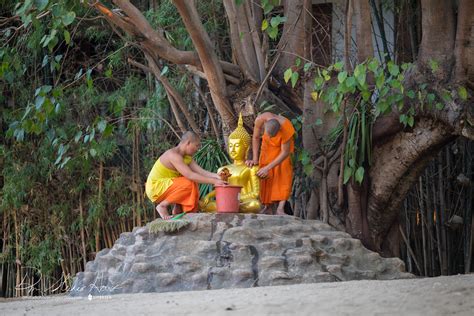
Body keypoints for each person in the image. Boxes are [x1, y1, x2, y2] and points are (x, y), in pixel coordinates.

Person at [145, 131, 227, 219]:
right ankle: (162, 206)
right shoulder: (173, 155)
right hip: (155, 188)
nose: (198, 149)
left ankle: (180, 210)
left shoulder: (186, 157)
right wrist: (214, 181)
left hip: (167, 185)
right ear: (188, 143)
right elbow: (190, 175)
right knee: (188, 182)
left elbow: (201, 171)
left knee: (192, 184)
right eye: (196, 145)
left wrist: (216, 176)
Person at [246, 112, 295, 215]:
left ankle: (280, 209)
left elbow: (285, 152)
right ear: (265, 124)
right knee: (266, 177)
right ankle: (267, 206)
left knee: (284, 176)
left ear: (279, 130)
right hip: (267, 149)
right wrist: (255, 158)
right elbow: (255, 137)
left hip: (281, 152)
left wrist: (268, 167)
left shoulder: (286, 127)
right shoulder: (260, 119)